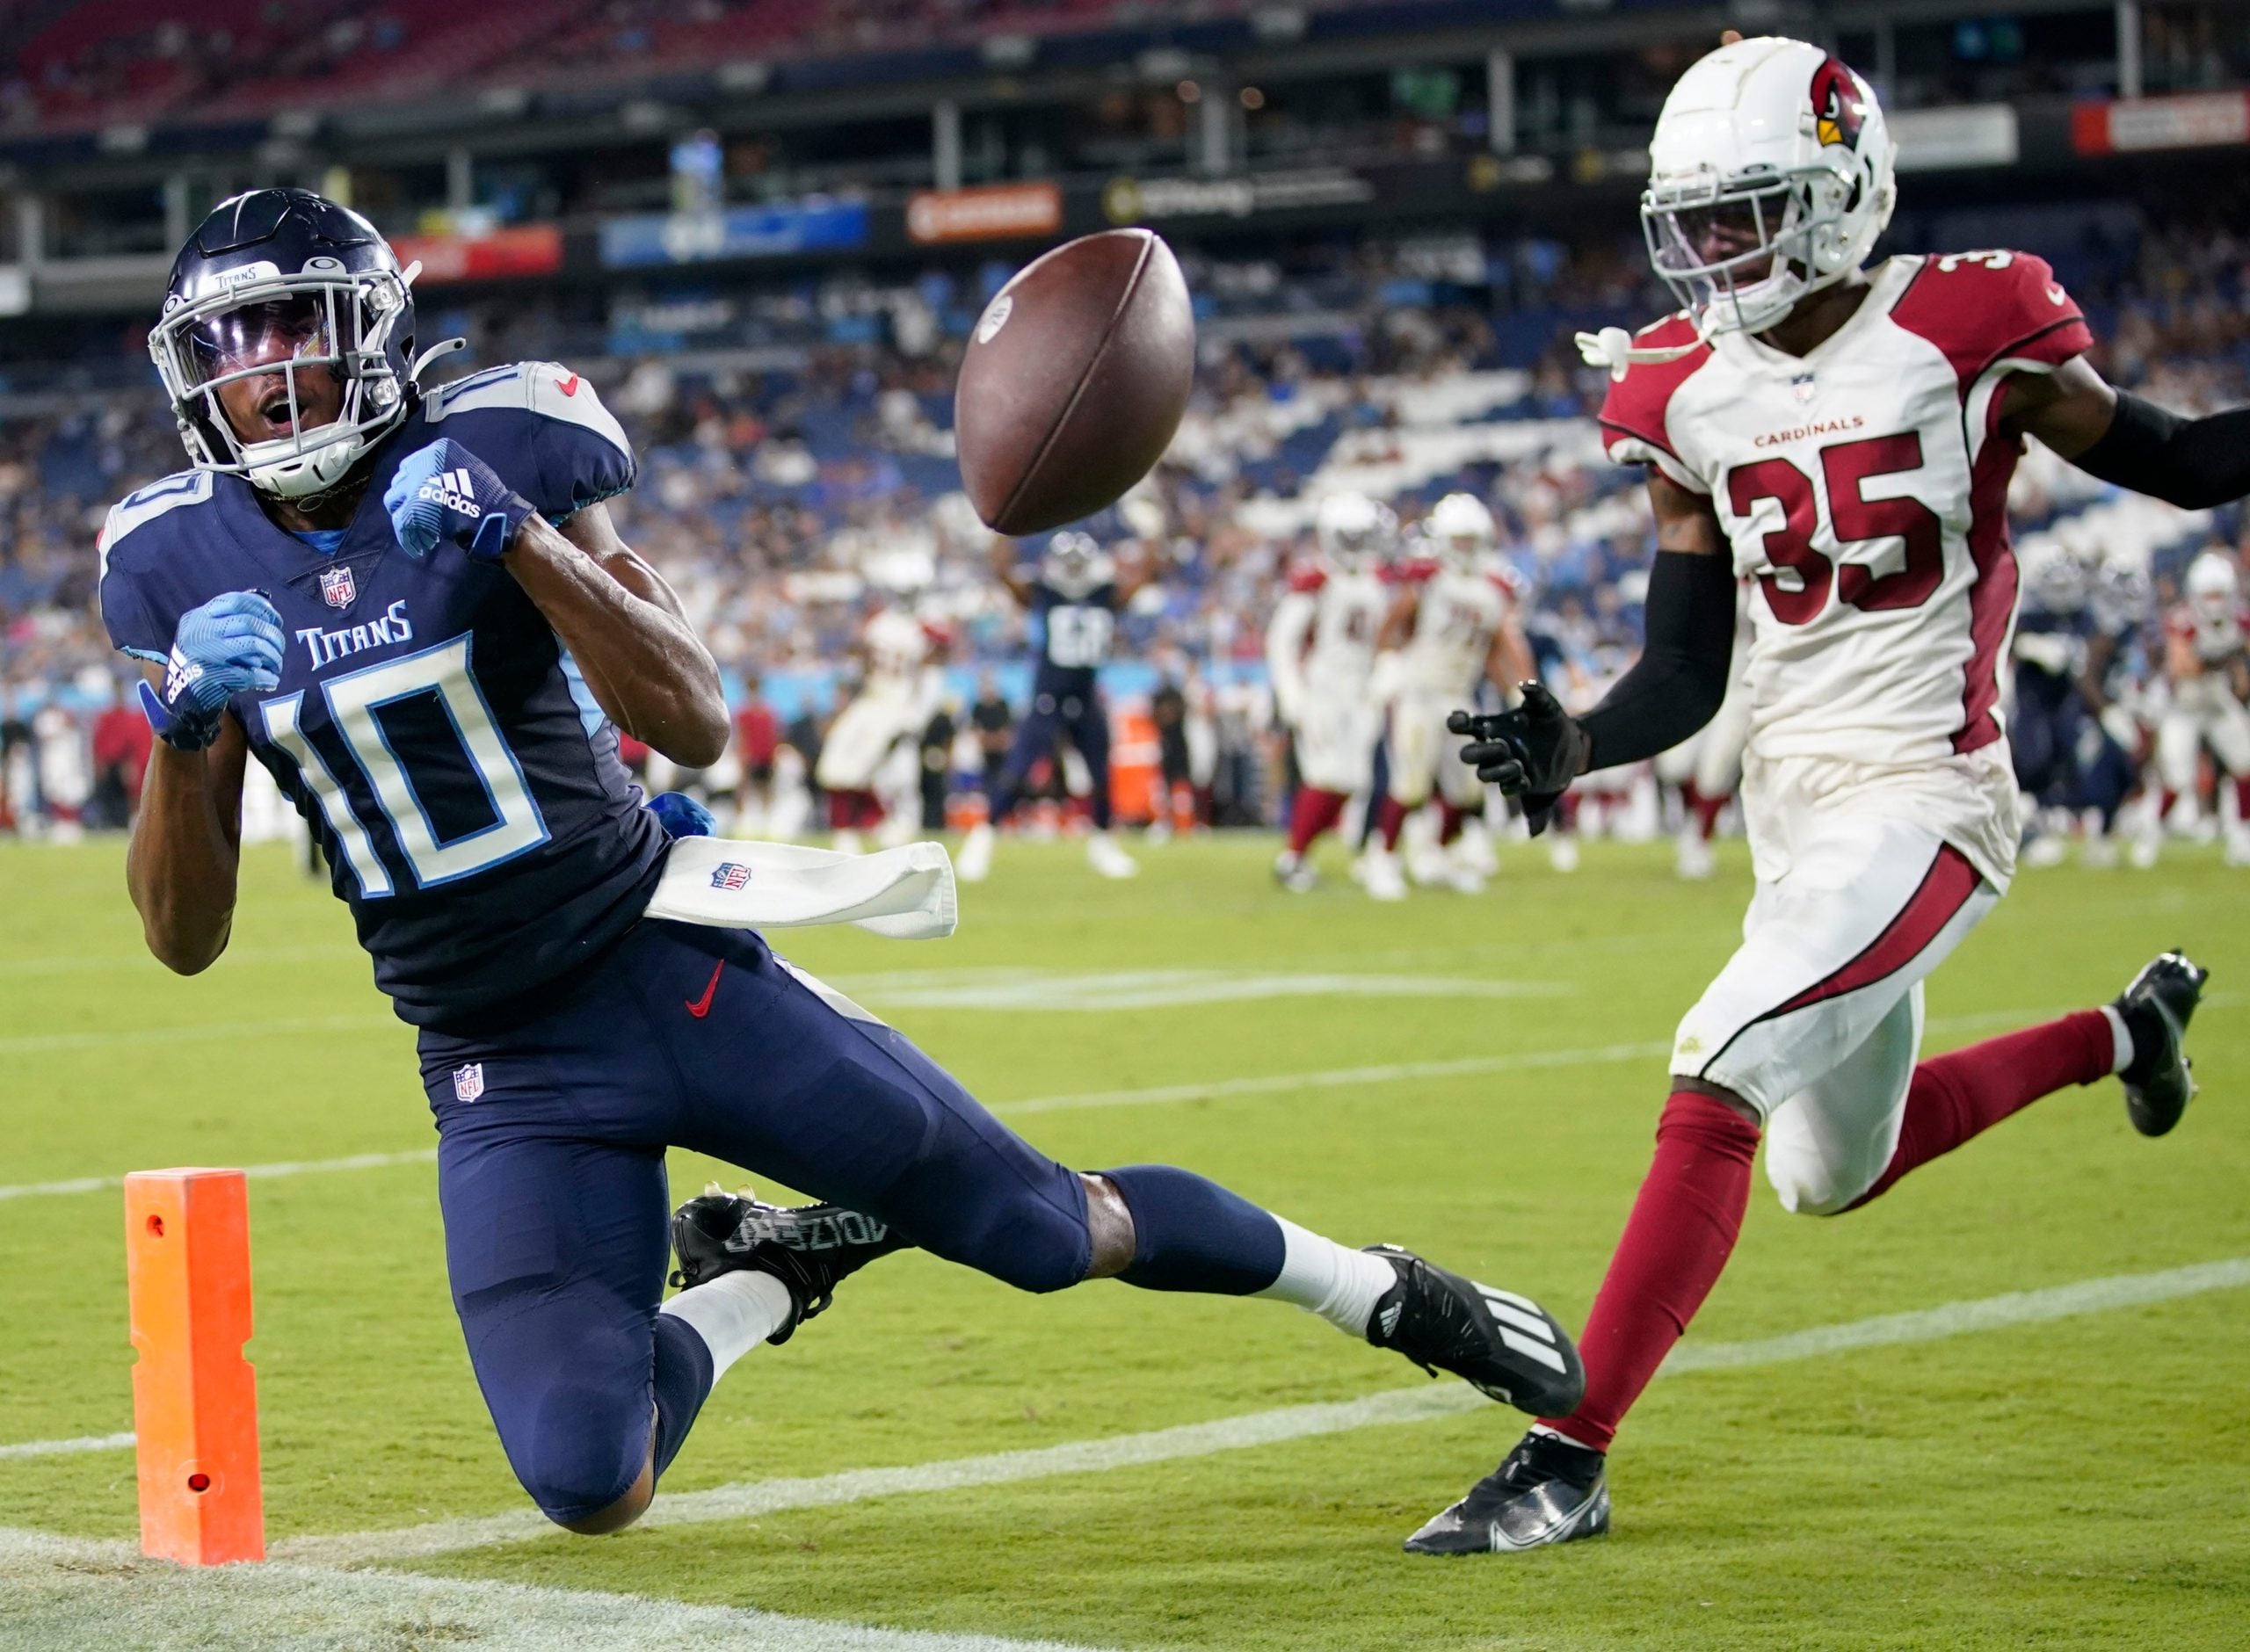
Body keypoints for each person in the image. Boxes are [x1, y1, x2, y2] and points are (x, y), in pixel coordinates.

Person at [103, 188, 1583, 1540]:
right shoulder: (171, 559)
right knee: (587, 1481)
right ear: (191, 373)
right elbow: (182, 939)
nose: (269, 371)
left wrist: (529, 545)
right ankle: (773, 1272)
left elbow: (693, 715)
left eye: (298, 327)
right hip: (496, 1058)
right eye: (233, 344)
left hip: (666, 968)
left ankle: (1389, 1294)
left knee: (1052, 1234)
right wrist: (182, 726)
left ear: (371, 333)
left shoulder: (501, 437)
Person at [1426, 38, 2222, 1554]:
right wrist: (1579, 741)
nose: (1718, 252)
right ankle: (2127, 1030)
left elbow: (2174, 463)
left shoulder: (1970, 319)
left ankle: (1564, 1454)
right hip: (1792, 810)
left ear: (1845, 188)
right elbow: (1686, 665)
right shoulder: (1684, 388)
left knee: (1715, 1064)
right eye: (1698, 221)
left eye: (1751, 212)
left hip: (1926, 791)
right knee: (1821, 1173)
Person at [1360, 494, 1532, 900]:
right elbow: (1392, 626)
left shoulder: (1492, 589)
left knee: (1468, 788)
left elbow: (1493, 647)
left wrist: (1517, 690)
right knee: (1412, 782)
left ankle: (1438, 854)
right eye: (1460, 540)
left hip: (1458, 694)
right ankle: (1382, 858)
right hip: (1420, 690)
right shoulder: (1429, 580)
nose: (1466, 549)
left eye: (1472, 540)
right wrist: (1387, 665)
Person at [959, 530, 1151, 882]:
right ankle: (982, 839)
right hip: (1049, 697)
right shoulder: (1045, 593)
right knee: (1018, 771)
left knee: (1099, 775)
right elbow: (1003, 572)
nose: (1075, 571)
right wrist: (1006, 526)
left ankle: (1103, 845)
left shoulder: (1105, 594)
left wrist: (1151, 530)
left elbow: (1146, 573)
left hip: (1085, 695)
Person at [1267, 494, 1394, 893]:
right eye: (1349, 537)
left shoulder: (1377, 581)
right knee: (1328, 774)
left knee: (1354, 778)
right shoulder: (1316, 579)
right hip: (1324, 687)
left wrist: (1384, 675)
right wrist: (1291, 694)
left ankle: (1306, 854)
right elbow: (1281, 640)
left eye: (1362, 537)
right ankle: (1293, 857)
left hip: (1362, 689)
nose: (1356, 546)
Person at [2152, 549, 2250, 863]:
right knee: (2177, 778)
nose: (2214, 600)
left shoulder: (2240, 617)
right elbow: (2182, 666)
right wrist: (2228, 654)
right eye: (2209, 593)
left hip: (2217, 698)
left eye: (2219, 593)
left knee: (2245, 763)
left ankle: (2244, 836)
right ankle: (2151, 833)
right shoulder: (2184, 620)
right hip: (2186, 704)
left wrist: (2237, 671)